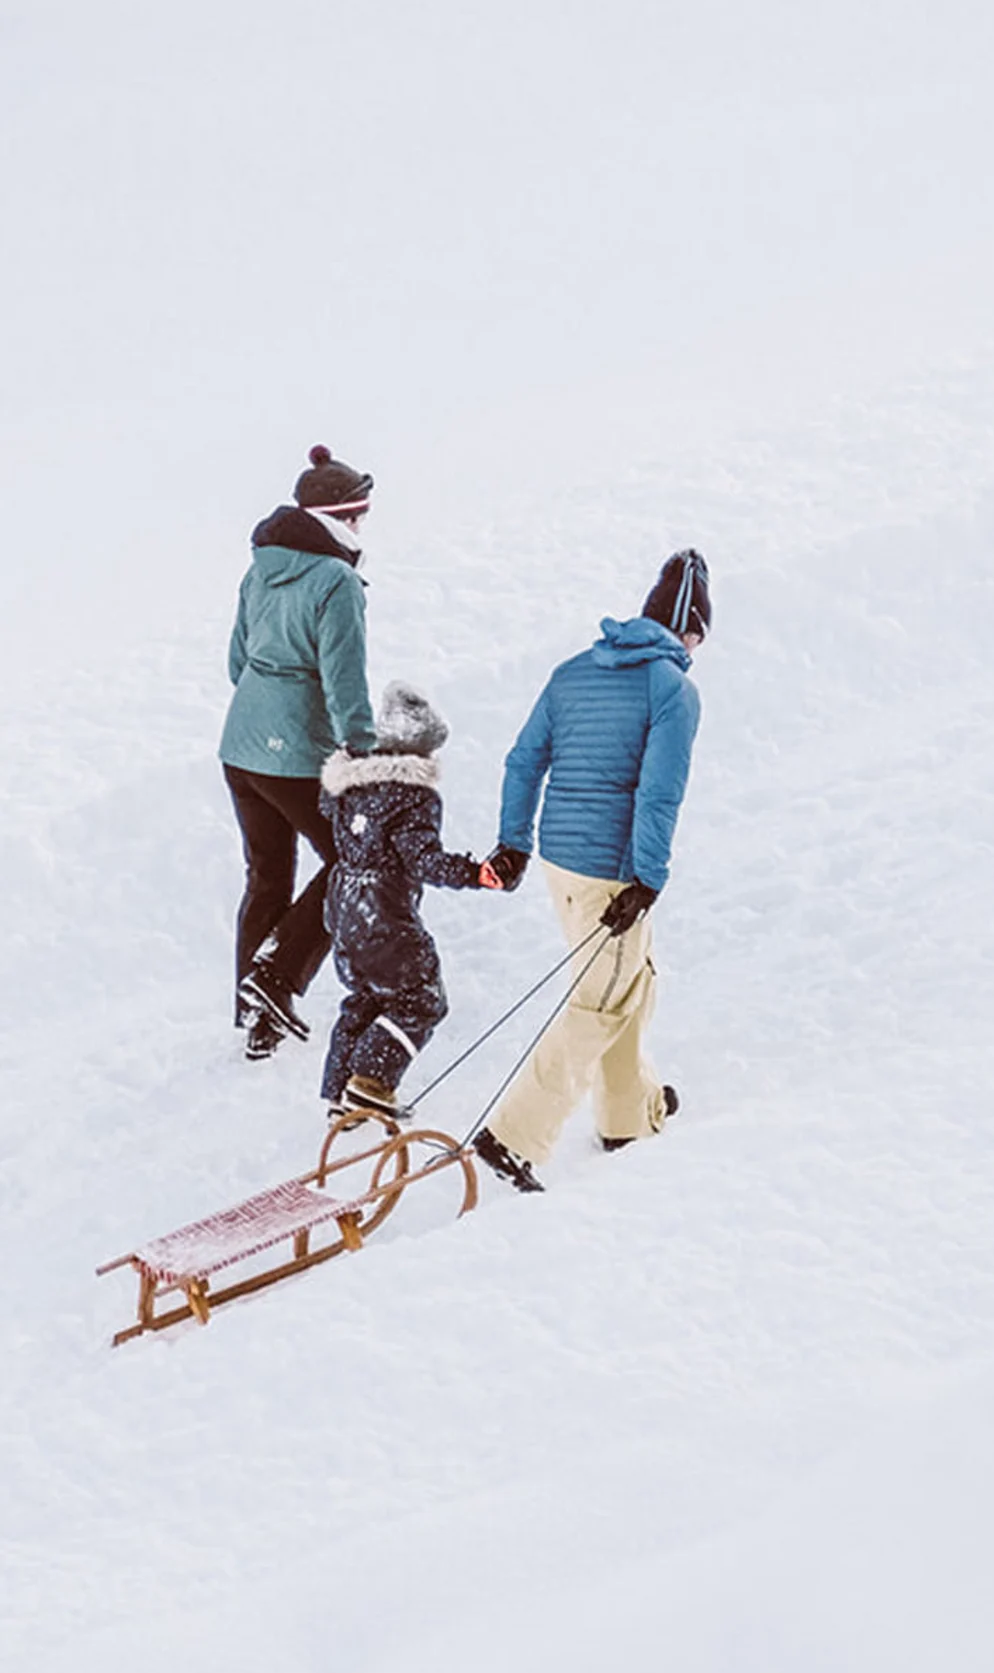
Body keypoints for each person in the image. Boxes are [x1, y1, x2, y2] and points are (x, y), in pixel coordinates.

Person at [472, 548, 709, 1194]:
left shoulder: (572, 672)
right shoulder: (673, 690)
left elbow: (523, 761)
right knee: (601, 998)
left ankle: (630, 1115)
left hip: (560, 862)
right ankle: (511, 1138)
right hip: (612, 869)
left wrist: (512, 843)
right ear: (690, 630)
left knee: (632, 980)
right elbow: (660, 791)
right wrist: (647, 878)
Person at [221, 445, 377, 1061]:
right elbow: (345, 679)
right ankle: (279, 978)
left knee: (267, 876)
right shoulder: (336, 582)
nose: (364, 529)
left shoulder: (260, 568)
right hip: (291, 755)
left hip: (239, 747)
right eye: (360, 517)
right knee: (350, 859)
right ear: (339, 518)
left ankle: (253, 1014)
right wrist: (361, 750)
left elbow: (238, 663)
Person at [318, 681, 503, 1119]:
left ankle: (339, 1092)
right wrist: (474, 873)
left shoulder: (348, 787)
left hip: (344, 909)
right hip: (385, 913)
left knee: (365, 996)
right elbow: (422, 860)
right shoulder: (414, 797)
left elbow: (327, 809)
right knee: (420, 999)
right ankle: (370, 1085)